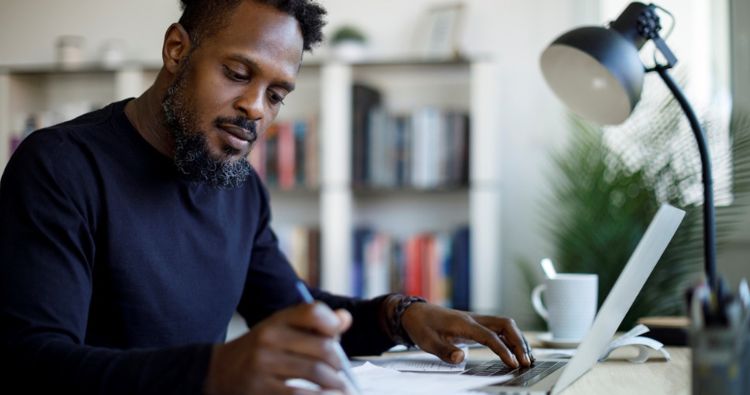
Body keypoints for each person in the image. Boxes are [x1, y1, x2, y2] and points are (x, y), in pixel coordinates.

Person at [0, 1, 534, 394]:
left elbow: (294, 311)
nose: (256, 108)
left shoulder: (240, 188)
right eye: (237, 73)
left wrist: (402, 316)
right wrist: (216, 371)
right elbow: (33, 364)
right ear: (176, 49)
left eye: (277, 95)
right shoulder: (60, 166)